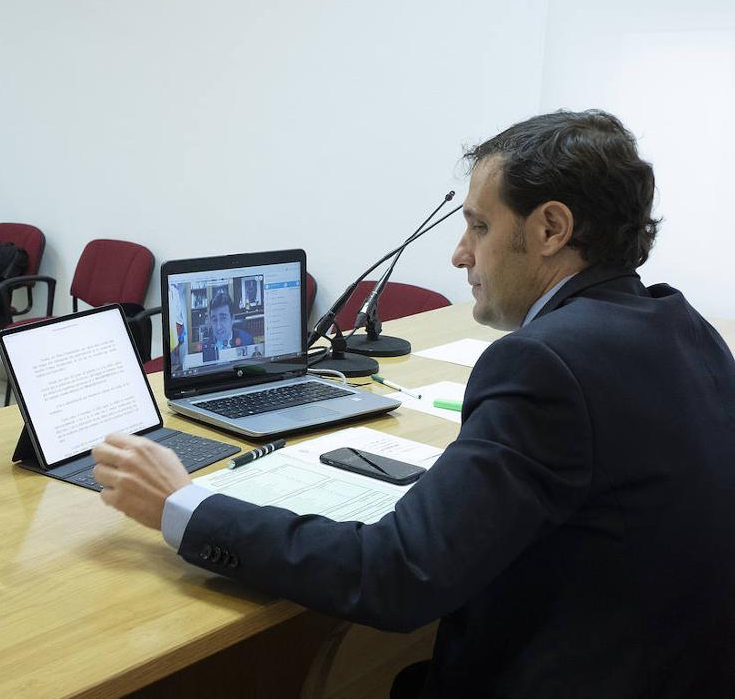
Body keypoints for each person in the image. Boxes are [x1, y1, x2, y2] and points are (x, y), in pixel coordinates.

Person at [91, 110, 735, 697]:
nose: (460, 254)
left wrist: (183, 505)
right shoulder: (683, 325)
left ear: (550, 229)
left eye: (479, 226)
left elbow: (396, 575)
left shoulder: (545, 365)